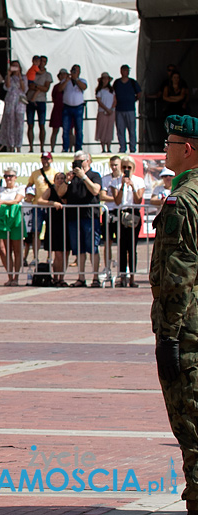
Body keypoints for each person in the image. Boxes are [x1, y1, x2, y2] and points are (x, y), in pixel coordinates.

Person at [150, 114, 198, 515]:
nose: (164, 149)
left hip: (189, 332)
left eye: (170, 143)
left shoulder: (182, 200)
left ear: (188, 149)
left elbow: (178, 274)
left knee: (191, 424)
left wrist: (168, 336)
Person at [52, 151, 102, 287]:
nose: (77, 164)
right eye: (75, 161)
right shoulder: (72, 178)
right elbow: (61, 193)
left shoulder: (94, 175)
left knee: (93, 247)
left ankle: (96, 277)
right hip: (73, 217)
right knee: (78, 249)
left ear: (88, 161)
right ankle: (81, 277)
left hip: (90, 216)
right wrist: (68, 180)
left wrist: (83, 176)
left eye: (80, 161)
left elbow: (95, 190)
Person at [0, 169, 24, 286]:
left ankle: (16, 277)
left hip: (15, 219)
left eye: (11, 176)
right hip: (3, 220)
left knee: (17, 250)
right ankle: (10, 276)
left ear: (15, 177)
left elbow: (16, 200)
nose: (8, 178)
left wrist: (2, 201)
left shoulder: (20, 188)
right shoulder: (0, 189)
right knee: (6, 250)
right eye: (6, 176)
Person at [114, 157, 144, 287]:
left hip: (133, 214)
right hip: (121, 213)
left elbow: (138, 200)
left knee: (132, 247)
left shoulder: (139, 181)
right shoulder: (116, 181)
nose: (126, 170)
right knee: (121, 247)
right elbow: (117, 201)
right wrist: (122, 185)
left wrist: (132, 186)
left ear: (133, 168)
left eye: (129, 167)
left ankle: (132, 277)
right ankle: (122, 277)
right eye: (124, 167)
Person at [0, 60, 27, 152]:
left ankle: (18, 146)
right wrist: (9, 75)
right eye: (13, 66)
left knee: (19, 124)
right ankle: (11, 145)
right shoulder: (8, 77)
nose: (15, 67)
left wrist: (19, 76)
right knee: (10, 123)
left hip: (20, 101)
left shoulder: (24, 77)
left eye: (16, 66)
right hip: (10, 100)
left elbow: (24, 89)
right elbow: (8, 87)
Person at [25, 56, 52, 153]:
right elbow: (29, 85)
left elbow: (46, 88)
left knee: (42, 125)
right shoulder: (32, 71)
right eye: (41, 61)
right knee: (30, 125)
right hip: (30, 100)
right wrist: (39, 87)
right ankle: (31, 147)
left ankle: (42, 147)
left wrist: (36, 87)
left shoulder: (47, 75)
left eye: (44, 61)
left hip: (41, 100)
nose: (42, 63)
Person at [114, 64, 142, 154]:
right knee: (120, 130)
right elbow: (112, 93)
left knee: (132, 130)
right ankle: (122, 147)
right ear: (121, 71)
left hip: (130, 109)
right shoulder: (117, 82)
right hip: (119, 109)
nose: (126, 72)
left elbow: (139, 93)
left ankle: (133, 148)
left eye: (127, 70)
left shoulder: (133, 82)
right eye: (124, 70)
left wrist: (134, 100)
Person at [59, 64, 87, 153]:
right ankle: (65, 147)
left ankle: (78, 148)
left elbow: (84, 87)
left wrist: (76, 79)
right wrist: (67, 79)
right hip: (67, 107)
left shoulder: (82, 80)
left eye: (76, 71)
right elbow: (60, 89)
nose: (75, 72)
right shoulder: (66, 81)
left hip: (78, 107)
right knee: (66, 129)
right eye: (73, 70)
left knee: (78, 129)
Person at [95, 73, 116, 153]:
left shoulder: (112, 90)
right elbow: (99, 101)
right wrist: (106, 109)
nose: (105, 80)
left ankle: (109, 147)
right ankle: (103, 147)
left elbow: (115, 100)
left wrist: (111, 109)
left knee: (109, 129)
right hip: (102, 111)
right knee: (102, 128)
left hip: (111, 111)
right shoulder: (99, 91)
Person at [48, 69, 68, 152]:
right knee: (55, 130)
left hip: (67, 109)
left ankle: (67, 148)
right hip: (57, 109)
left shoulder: (69, 86)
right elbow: (54, 97)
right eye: (61, 75)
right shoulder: (56, 86)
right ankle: (52, 149)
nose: (63, 76)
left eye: (65, 75)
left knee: (68, 130)